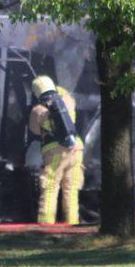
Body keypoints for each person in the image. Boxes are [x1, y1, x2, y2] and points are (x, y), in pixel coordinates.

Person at [29, 75, 84, 225]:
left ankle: (46, 224)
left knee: (50, 186)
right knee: (71, 189)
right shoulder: (67, 98)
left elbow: (34, 131)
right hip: (76, 148)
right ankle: (72, 224)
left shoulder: (38, 109)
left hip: (54, 151)